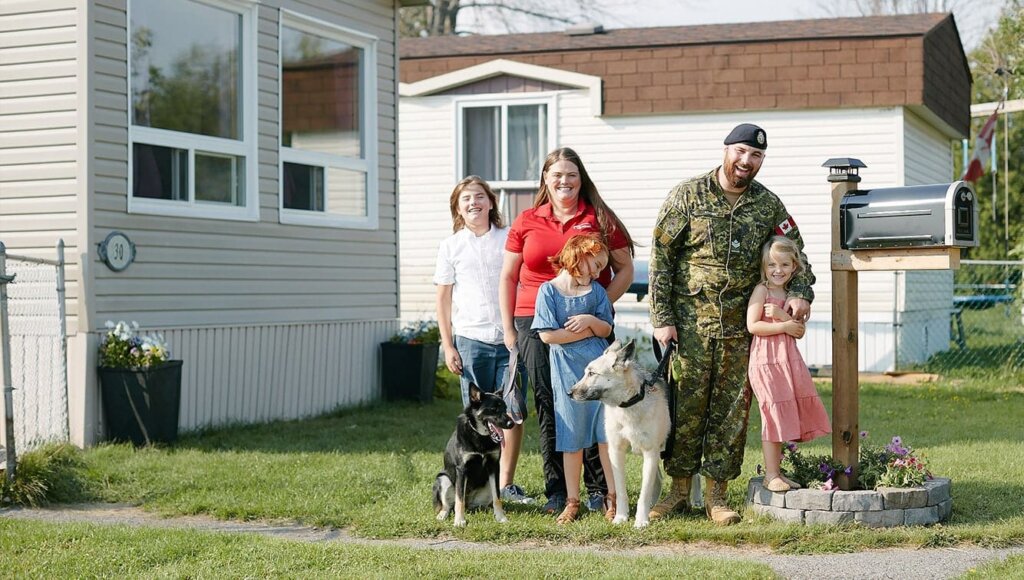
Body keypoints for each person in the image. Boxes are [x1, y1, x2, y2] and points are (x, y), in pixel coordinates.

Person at [648, 123, 815, 525]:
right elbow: (661, 258)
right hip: (690, 326)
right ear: (726, 150)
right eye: (741, 151)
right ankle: (678, 492)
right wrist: (662, 318)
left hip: (744, 328)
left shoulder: (767, 205)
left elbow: (798, 253)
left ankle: (717, 496)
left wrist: (800, 292)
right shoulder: (687, 196)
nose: (746, 161)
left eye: (756, 155)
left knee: (730, 412)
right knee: (685, 407)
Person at [499, 147, 635, 516]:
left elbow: (624, 269)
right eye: (557, 174)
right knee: (550, 403)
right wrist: (510, 330)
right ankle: (559, 492)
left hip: (589, 325)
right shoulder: (526, 219)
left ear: (581, 179)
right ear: (545, 178)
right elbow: (509, 276)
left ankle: (599, 490)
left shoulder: (599, 219)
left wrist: (597, 304)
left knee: (595, 401)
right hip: (535, 318)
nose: (564, 181)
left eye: (571, 174)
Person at [434, 176, 531, 504]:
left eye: (479, 196)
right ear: (458, 208)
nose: (473, 203)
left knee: (513, 410)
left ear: (491, 202)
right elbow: (443, 299)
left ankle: (505, 484)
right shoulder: (451, 247)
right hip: (471, 340)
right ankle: (474, 490)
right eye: (466, 199)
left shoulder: (508, 238)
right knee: (478, 416)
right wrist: (448, 345)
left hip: (509, 338)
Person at [532, 235, 617, 523]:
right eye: (595, 265)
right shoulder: (548, 292)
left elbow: (606, 330)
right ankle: (572, 500)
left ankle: (613, 497)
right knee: (572, 438)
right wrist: (585, 331)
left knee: (606, 437)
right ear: (577, 256)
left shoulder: (597, 293)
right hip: (567, 372)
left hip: (599, 372)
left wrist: (592, 322)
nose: (596, 273)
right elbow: (547, 335)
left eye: (601, 268)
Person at [746, 236, 831, 493]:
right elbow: (753, 325)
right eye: (772, 265)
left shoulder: (792, 295)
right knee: (772, 414)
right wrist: (782, 325)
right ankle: (771, 474)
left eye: (784, 265)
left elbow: (798, 331)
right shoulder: (762, 291)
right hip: (766, 361)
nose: (777, 270)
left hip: (787, 361)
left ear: (794, 266)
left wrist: (783, 317)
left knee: (783, 414)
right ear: (764, 267)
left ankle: (778, 472)